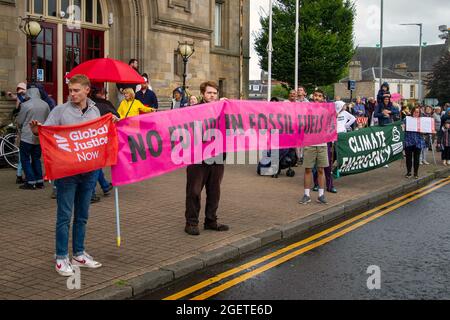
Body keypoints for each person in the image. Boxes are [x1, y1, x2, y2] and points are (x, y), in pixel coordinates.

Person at [29, 74, 109, 276]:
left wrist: (112, 122)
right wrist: (37, 131)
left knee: (82, 216)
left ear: (86, 90)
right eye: (70, 91)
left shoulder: (95, 110)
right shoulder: (59, 111)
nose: (71, 94)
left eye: (75, 90)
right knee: (64, 217)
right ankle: (61, 257)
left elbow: (97, 135)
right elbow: (46, 132)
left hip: (89, 172)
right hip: (67, 173)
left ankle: (79, 254)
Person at [184, 81, 229, 236]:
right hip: (197, 158)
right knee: (194, 191)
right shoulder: (194, 110)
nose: (212, 95)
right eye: (209, 93)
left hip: (217, 156)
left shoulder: (223, 110)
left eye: (215, 93)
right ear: (203, 94)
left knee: (214, 191)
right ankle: (191, 222)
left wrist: (226, 109)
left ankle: (211, 221)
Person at [299, 88, 330, 204]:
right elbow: (302, 124)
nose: (317, 98)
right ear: (313, 97)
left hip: (322, 144)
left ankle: (321, 195)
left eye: (320, 96)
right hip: (310, 143)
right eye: (316, 95)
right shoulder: (308, 110)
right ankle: (306, 195)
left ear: (323, 99)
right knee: (308, 169)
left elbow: (329, 126)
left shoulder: (326, 112)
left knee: (321, 169)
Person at [16, 88, 50, 190]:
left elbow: (20, 121)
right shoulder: (45, 104)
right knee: (36, 158)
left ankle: (30, 182)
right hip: (39, 136)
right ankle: (39, 181)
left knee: (25, 159)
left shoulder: (26, 105)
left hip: (27, 135)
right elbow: (48, 119)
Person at [89, 86, 116, 200]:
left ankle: (104, 185)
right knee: (95, 165)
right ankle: (91, 193)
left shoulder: (88, 104)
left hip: (89, 138)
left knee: (96, 164)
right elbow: (117, 116)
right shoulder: (106, 104)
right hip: (102, 138)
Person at [403, 107, 426, 179]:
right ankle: (409, 172)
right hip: (408, 141)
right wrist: (403, 127)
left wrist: (423, 132)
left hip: (418, 141)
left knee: (417, 158)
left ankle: (416, 173)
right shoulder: (406, 119)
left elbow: (425, 131)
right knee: (408, 158)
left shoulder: (421, 121)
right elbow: (402, 128)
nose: (416, 113)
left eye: (418, 112)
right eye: (415, 112)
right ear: (412, 112)